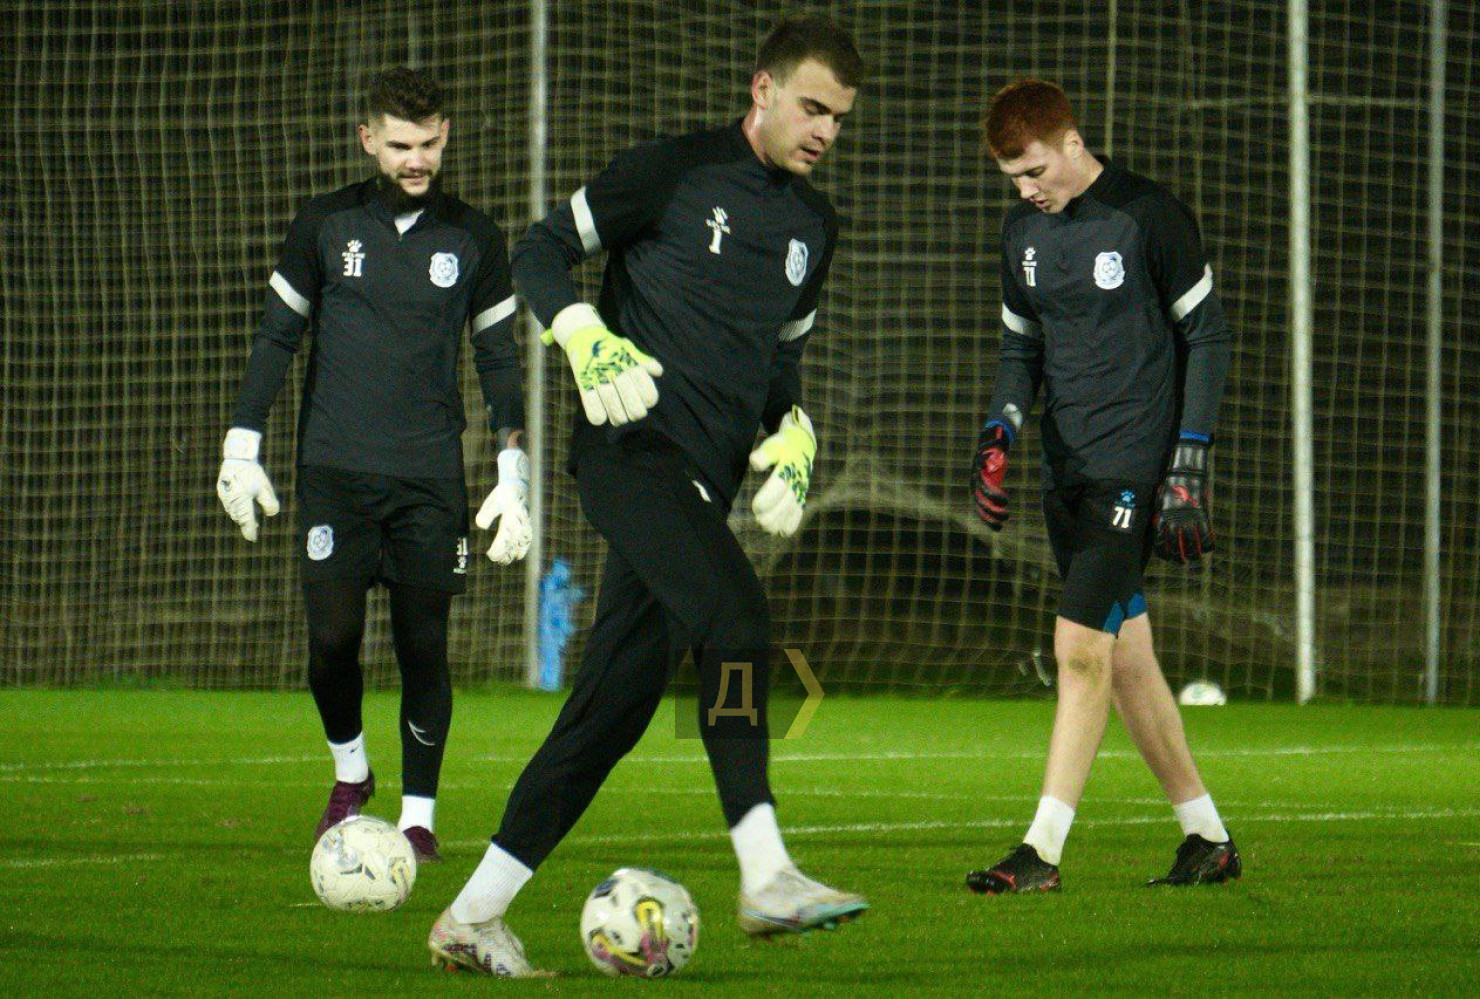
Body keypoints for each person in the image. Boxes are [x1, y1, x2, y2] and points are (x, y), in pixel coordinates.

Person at [426, 15, 867, 977]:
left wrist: (794, 433)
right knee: (737, 616)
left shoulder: (814, 226)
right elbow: (541, 248)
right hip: (631, 453)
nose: (825, 131)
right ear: (762, 89)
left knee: (611, 712)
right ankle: (766, 870)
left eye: (838, 117)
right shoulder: (671, 171)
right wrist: (582, 332)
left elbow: (779, 363)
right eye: (811, 107)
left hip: (704, 484)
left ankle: (470, 916)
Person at [216, 67, 531, 864]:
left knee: (424, 645)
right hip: (335, 472)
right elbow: (276, 337)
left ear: (445, 135)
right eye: (398, 146)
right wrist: (242, 443)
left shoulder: (476, 238)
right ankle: (352, 773)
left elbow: (499, 357)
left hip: (429, 479)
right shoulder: (324, 224)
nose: (415, 159)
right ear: (367, 140)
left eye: (427, 143)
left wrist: (513, 470)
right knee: (331, 641)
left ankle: (418, 819)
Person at [965, 79, 1241, 893]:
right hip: (1067, 468)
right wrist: (1000, 432)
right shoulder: (1022, 232)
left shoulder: (1148, 216)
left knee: (1080, 649)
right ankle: (1207, 840)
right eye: (1013, 177)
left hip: (1135, 468)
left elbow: (1208, 334)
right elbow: (1021, 350)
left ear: (1073, 144)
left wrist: (1189, 459)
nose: (1027, 189)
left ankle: (1041, 851)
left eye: (1036, 170)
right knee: (1129, 661)